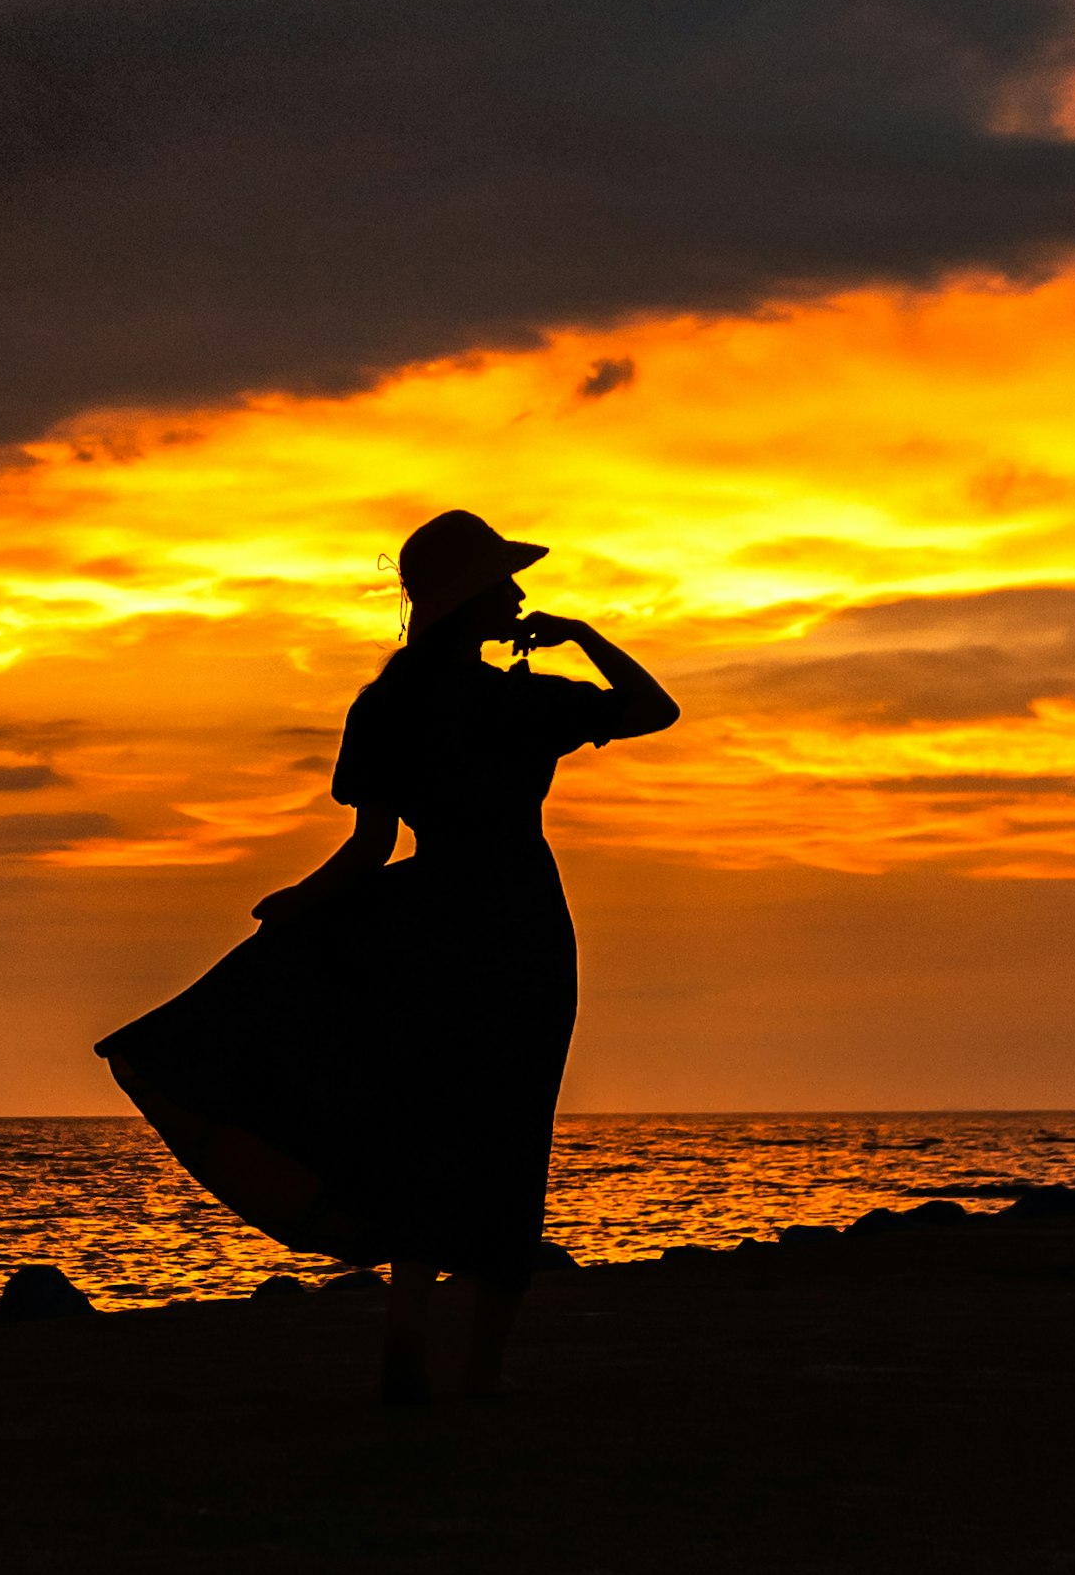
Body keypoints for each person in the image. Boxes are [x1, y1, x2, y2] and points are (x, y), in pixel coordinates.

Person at [96, 510, 679, 1404]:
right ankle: (478, 1370)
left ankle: (406, 1350)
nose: (523, 595)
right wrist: (583, 636)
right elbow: (654, 709)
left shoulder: (387, 708)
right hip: (517, 924)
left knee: (426, 1126)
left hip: (429, 923)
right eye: (506, 582)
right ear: (474, 599)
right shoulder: (519, 701)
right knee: (507, 1134)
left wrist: (298, 907)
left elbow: (370, 848)